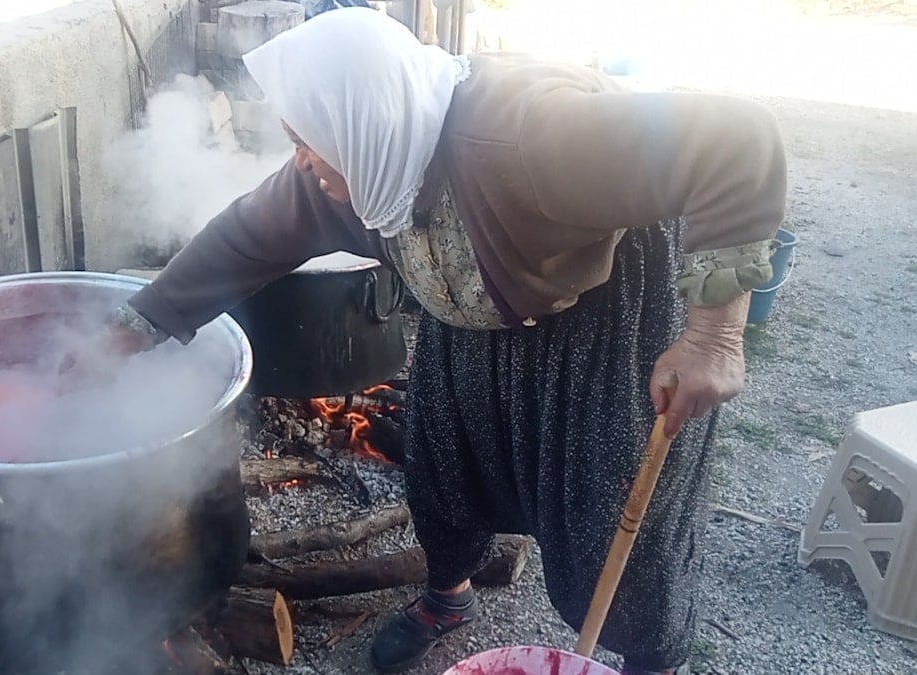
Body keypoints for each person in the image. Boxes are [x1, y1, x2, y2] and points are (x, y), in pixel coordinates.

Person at [92, 7, 786, 674]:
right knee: (447, 471)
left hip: (598, 323)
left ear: (368, 121)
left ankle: (648, 657)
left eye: (307, 143)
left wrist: (714, 335)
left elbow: (735, 143)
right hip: (471, 311)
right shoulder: (360, 167)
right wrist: (136, 328)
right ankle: (447, 597)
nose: (300, 162)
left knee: (613, 515)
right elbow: (243, 236)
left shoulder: (531, 140)